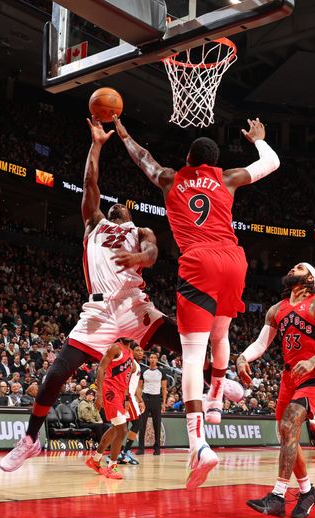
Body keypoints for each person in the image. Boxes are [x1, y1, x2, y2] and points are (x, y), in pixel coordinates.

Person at [0, 119, 185, 472]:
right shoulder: (94, 224)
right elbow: (90, 183)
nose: (117, 207)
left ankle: (217, 387)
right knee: (56, 373)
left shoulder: (140, 229)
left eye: (123, 207)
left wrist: (139, 258)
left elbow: (152, 253)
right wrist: (97, 144)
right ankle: (28, 441)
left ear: (129, 215)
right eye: (112, 205)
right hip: (98, 310)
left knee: (182, 340)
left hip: (132, 304)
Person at [114, 114, 280, 488]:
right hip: (234, 261)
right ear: (213, 161)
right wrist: (258, 138)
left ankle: (198, 443)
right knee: (221, 335)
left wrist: (122, 130)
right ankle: (217, 396)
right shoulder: (226, 177)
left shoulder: (172, 178)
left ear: (189, 157)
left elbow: (143, 158)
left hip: (199, 261)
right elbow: (271, 163)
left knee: (192, 355)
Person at [236, 263, 315, 518]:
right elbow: (261, 343)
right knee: (288, 435)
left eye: (297, 267)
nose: (290, 269)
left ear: (309, 277)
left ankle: (277, 495)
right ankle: (308, 491)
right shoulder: (277, 309)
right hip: (288, 377)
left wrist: (313, 360)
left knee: (288, 426)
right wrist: (242, 358)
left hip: (312, 374)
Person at [85, 339, 140, 480]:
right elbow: (101, 368)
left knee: (116, 429)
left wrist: (127, 398)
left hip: (121, 394)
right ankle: (112, 465)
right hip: (110, 390)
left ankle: (95, 460)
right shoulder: (116, 348)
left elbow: (126, 380)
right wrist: (99, 393)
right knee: (122, 429)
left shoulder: (130, 354)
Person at [137, 352, 167, 456]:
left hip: (156, 399)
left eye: (155, 358)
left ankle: (157, 448)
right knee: (142, 424)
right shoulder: (144, 371)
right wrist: (139, 400)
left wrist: (163, 403)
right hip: (145, 398)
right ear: (149, 359)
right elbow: (140, 386)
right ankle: (141, 448)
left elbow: (164, 388)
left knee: (157, 424)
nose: (153, 359)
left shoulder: (161, 372)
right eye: (151, 358)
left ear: (157, 360)